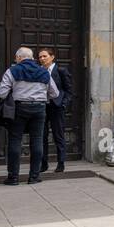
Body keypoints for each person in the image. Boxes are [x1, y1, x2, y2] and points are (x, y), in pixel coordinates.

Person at [0, 46, 58, 185]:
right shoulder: (44, 71)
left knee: (15, 140)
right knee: (37, 141)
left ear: (19, 58)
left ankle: (13, 178)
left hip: (20, 108)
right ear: (32, 58)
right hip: (39, 109)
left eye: (16, 58)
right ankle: (34, 177)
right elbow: (55, 94)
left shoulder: (12, 70)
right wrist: (42, 96)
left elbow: (1, 93)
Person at [36, 47, 72, 175]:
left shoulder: (61, 71)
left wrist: (63, 104)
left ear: (52, 57)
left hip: (56, 108)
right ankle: (43, 163)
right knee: (42, 136)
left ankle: (61, 163)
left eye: (44, 56)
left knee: (59, 136)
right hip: (42, 107)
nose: (42, 59)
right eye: (40, 57)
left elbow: (68, 90)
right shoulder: (38, 71)